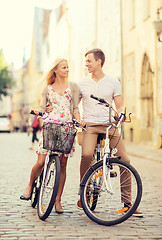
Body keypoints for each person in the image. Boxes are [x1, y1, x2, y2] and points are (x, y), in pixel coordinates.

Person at [77, 48, 143, 217]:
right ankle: (84, 192)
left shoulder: (113, 82)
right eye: (86, 61)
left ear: (99, 62)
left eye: (89, 61)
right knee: (86, 155)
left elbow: (119, 104)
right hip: (90, 126)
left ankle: (128, 203)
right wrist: (78, 118)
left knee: (125, 160)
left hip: (109, 126)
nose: (86, 64)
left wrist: (121, 112)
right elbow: (74, 106)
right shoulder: (82, 83)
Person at [20, 59, 81, 214]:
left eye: (68, 67)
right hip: (51, 127)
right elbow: (42, 107)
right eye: (64, 67)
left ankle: (57, 199)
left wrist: (79, 120)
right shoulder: (47, 89)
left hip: (67, 128)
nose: (67, 69)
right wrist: (38, 111)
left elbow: (75, 108)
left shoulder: (73, 86)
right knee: (40, 162)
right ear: (56, 70)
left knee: (63, 164)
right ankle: (30, 184)